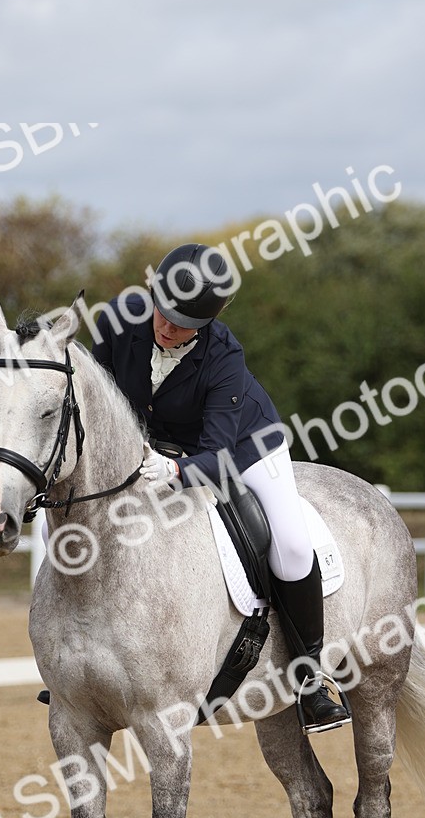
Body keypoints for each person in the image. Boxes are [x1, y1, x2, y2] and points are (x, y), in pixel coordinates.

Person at [91, 242, 350, 735]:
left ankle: (311, 677)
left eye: (182, 325)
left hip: (243, 450)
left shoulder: (224, 356)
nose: (166, 329)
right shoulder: (118, 321)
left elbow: (217, 454)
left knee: (293, 546)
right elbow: (96, 393)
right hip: (154, 445)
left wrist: (176, 472)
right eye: (162, 315)